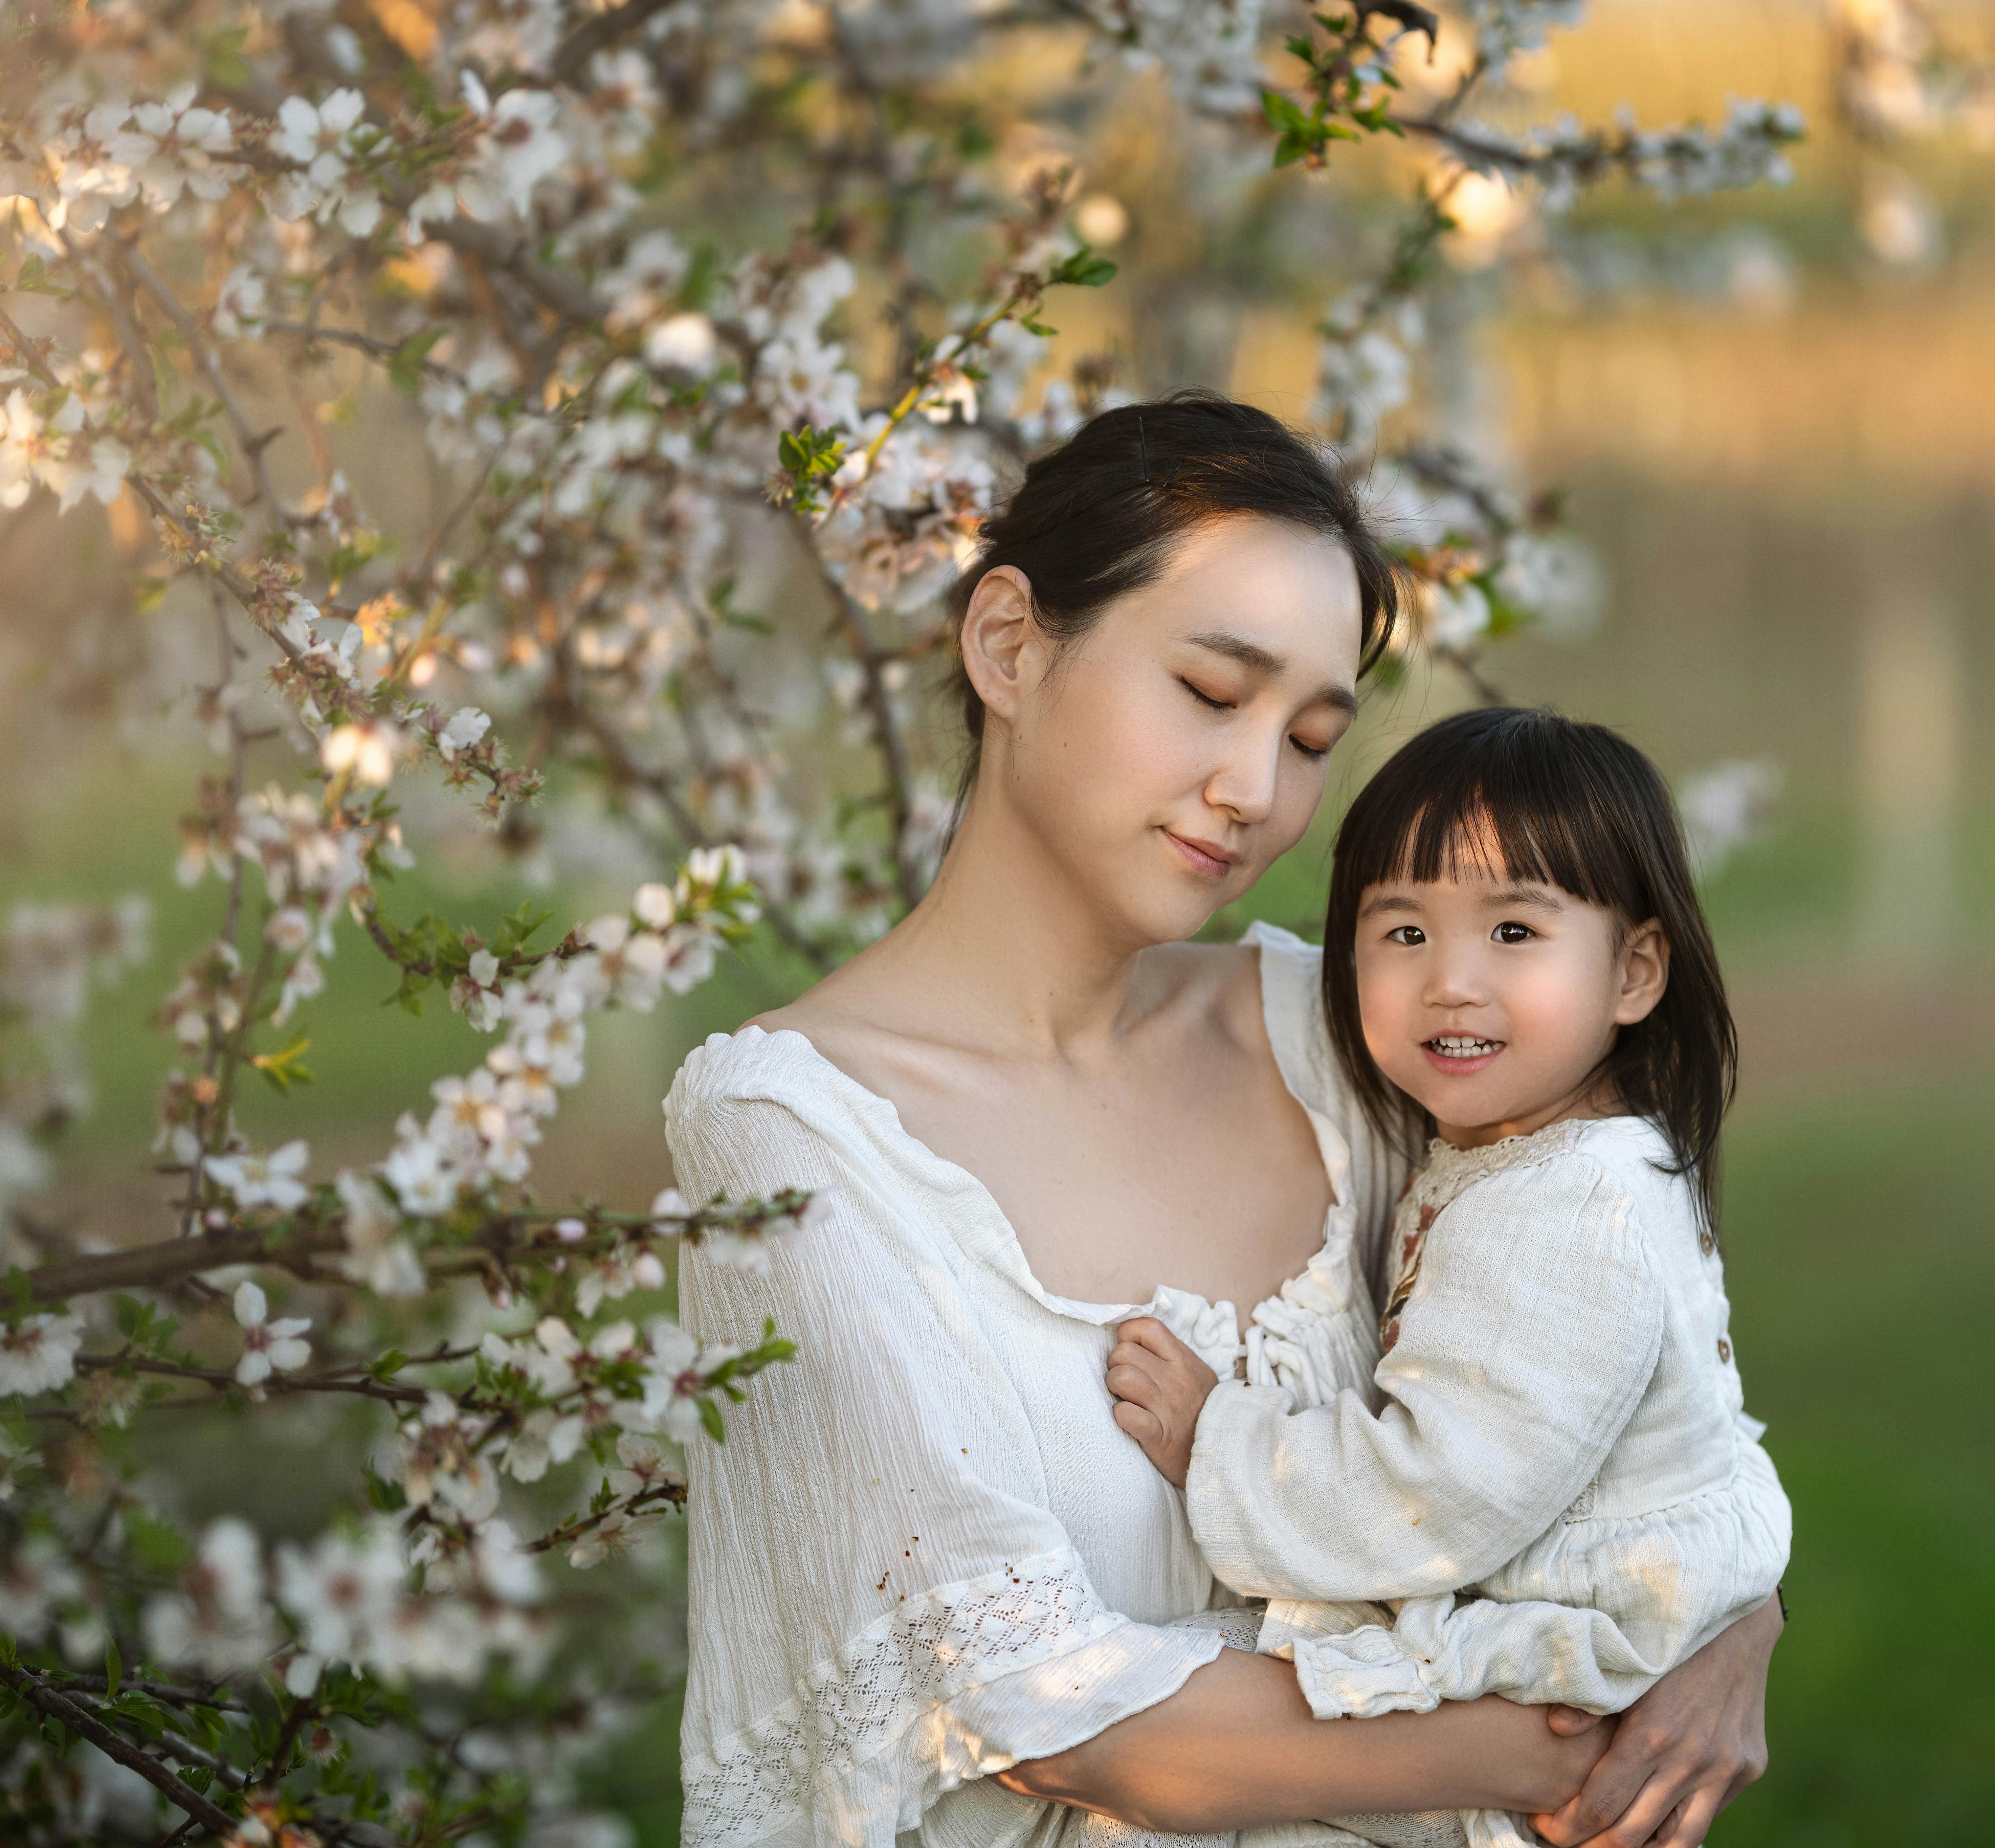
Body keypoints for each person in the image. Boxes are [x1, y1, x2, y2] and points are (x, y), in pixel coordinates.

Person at [662, 393, 1781, 1848]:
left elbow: (1619, 1370)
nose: (1255, 791)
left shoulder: (1343, 1038)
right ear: (1007, 645)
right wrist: (1557, 1744)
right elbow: (1061, 1716)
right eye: (1209, 690)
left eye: (1309, 738)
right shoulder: (789, 1135)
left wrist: (1728, 1619)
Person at [1104, 708, 1792, 1848]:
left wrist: (1217, 1441)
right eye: (1404, 932)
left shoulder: (1562, 1206)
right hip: (1609, 1630)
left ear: (1634, 971)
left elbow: (1435, 1499)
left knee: (1175, 1746)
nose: (1452, 983)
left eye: (1515, 931)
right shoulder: (1563, 1156)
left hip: (1576, 1668)